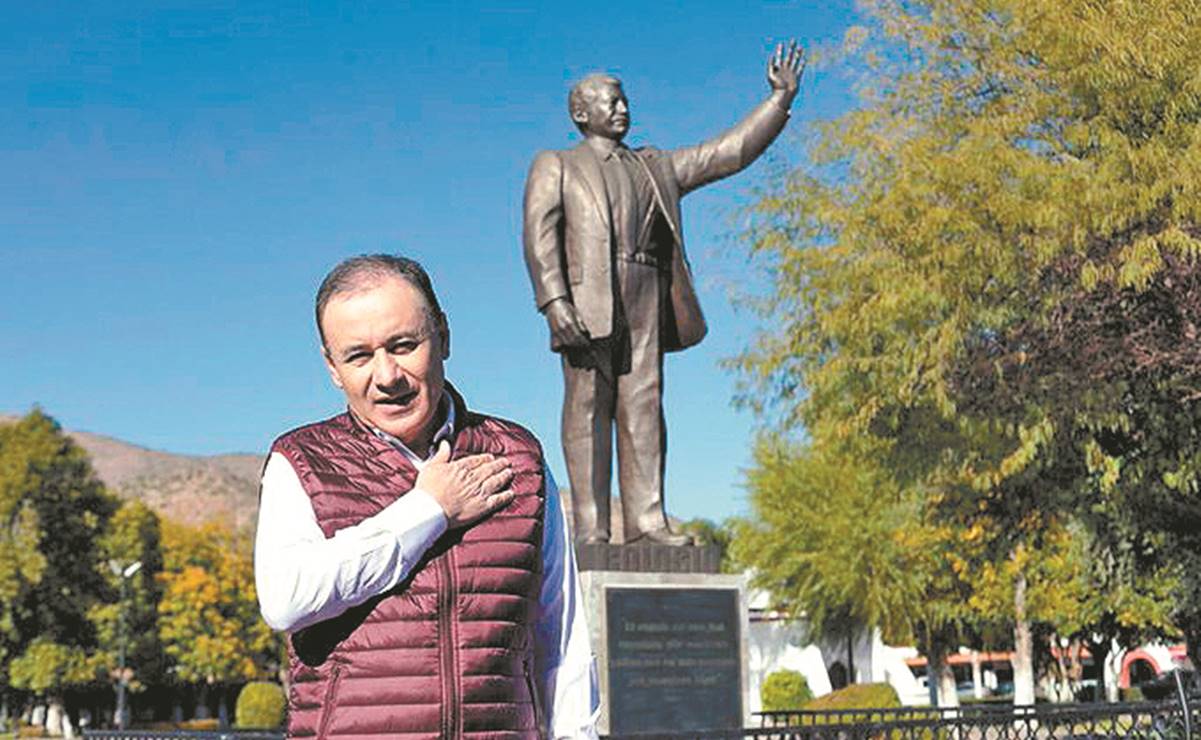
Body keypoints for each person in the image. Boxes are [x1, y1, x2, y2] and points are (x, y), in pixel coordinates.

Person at [254, 254, 598, 739]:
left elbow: (561, 638)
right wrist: (429, 511)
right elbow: (286, 598)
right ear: (333, 368)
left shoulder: (519, 457)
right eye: (358, 356)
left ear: (444, 336)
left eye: (404, 345)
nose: (387, 374)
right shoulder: (302, 460)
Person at [523, 42, 806, 545]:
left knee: (645, 405)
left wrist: (777, 102)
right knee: (588, 408)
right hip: (587, 301)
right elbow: (539, 235)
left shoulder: (655, 166)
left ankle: (648, 520)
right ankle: (592, 527)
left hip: (646, 290)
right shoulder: (557, 164)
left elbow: (728, 152)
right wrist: (554, 302)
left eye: (625, 99)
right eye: (610, 101)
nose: (622, 108)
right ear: (580, 112)